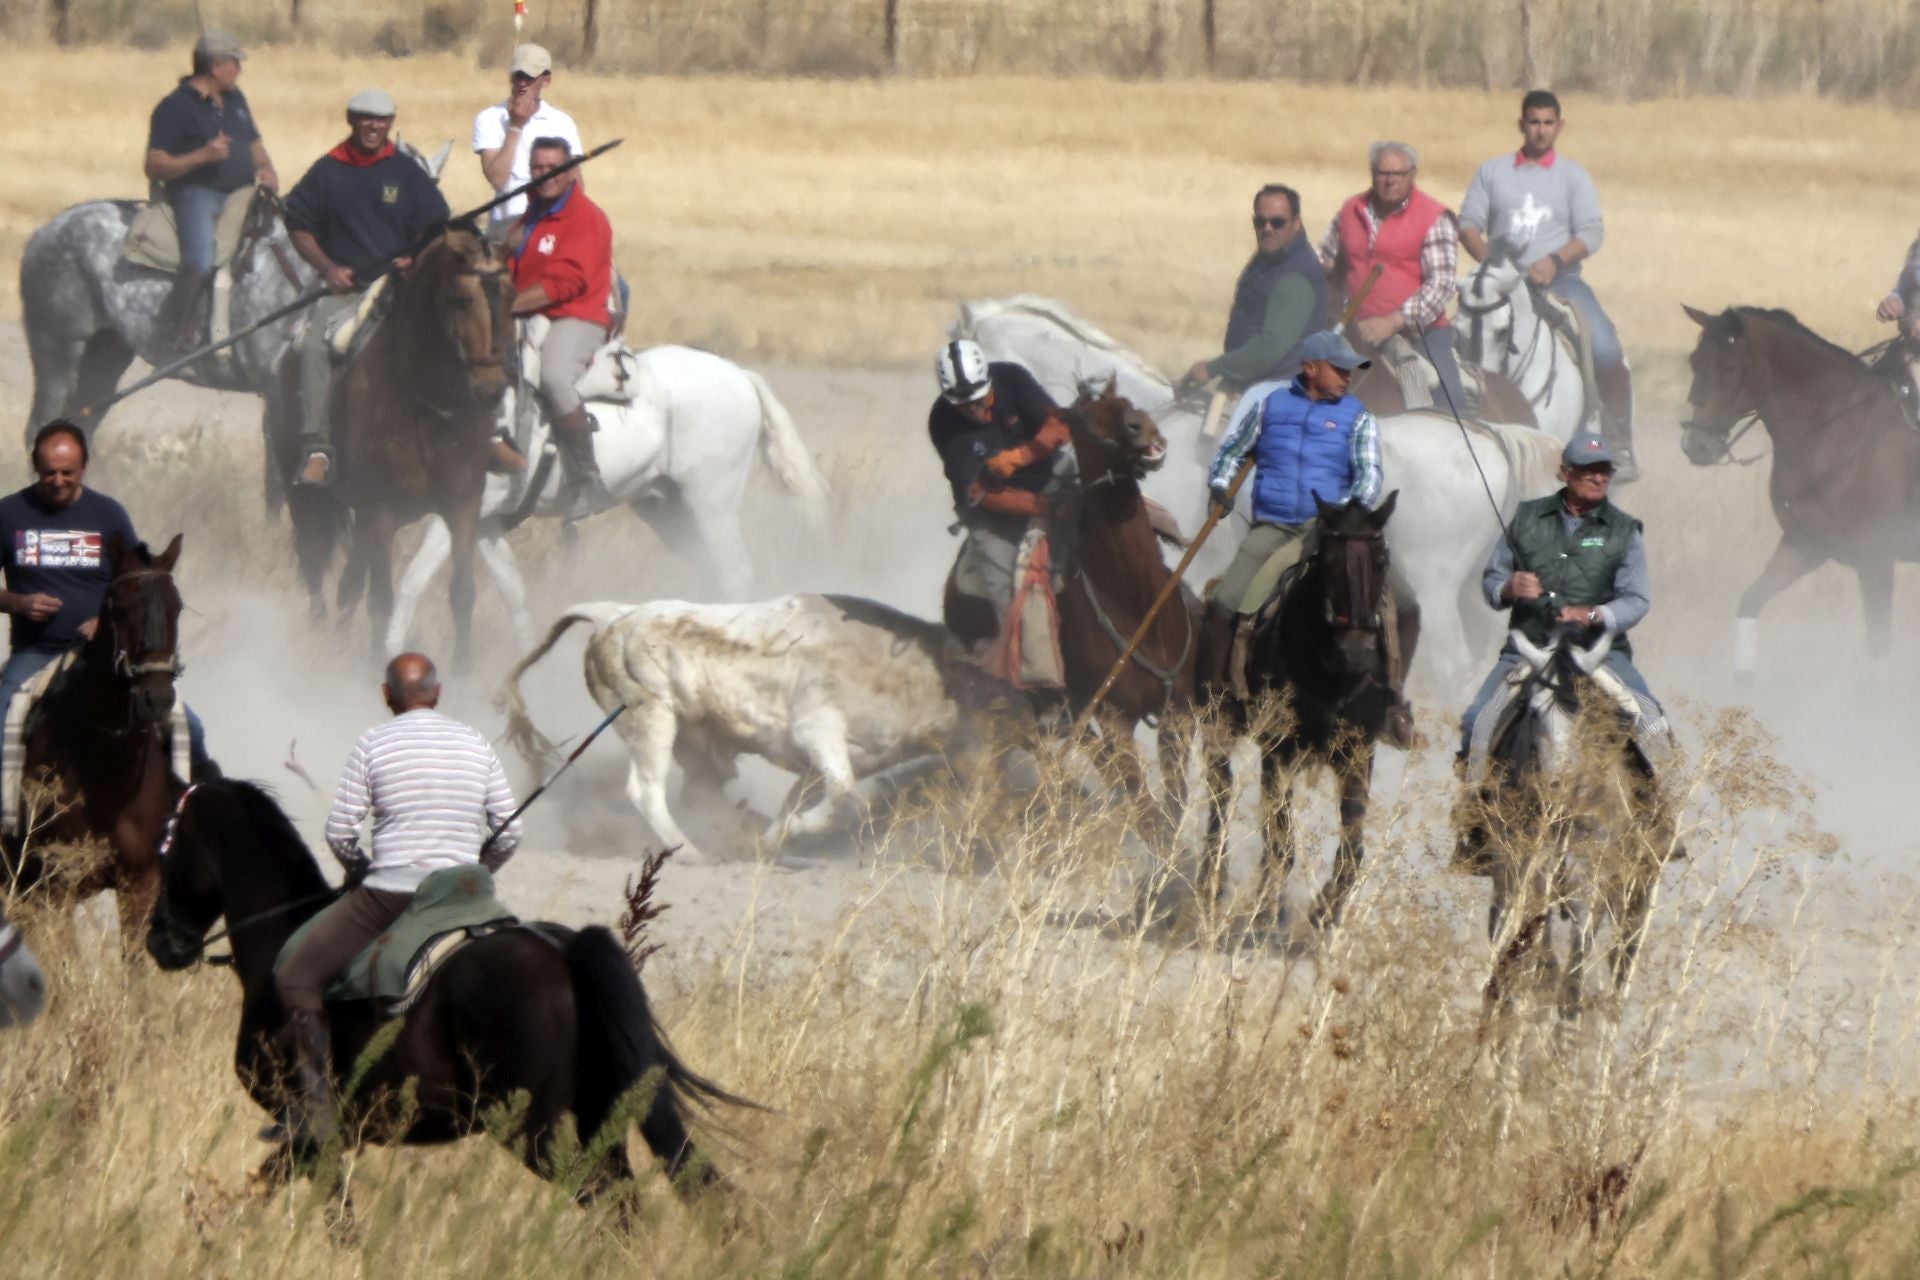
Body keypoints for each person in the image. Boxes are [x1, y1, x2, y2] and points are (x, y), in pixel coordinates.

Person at [275, 652, 521, 1149]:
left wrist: (360, 870)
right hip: (466, 894)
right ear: (438, 692)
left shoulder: (373, 743)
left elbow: (341, 832)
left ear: (387, 696)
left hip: (389, 895)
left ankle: (316, 1111)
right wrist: (477, 869)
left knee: (295, 976)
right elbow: (510, 832)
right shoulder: (475, 741)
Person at [1201, 330, 1418, 747]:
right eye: (1339, 368)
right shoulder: (1270, 407)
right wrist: (1220, 484)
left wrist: (1346, 516)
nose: (1347, 377)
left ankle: (1391, 703)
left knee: (1404, 604)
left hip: (1336, 532)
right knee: (1227, 603)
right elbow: (1231, 452)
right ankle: (1222, 708)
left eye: (1350, 369)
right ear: (1309, 368)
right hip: (1276, 526)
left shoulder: (1357, 416)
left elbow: (1369, 474)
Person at [0, 422, 210, 773]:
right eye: (49, 472)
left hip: (103, 654)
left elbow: (137, 583)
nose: (58, 480)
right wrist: (17, 603)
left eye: (68, 472)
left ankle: (194, 806)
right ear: (34, 466)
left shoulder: (108, 515)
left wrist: (104, 621)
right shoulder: (9, 514)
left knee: (190, 728)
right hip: (37, 652)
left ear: (84, 467)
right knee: (4, 716)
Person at [1459, 90, 1639, 482]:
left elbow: (1591, 232)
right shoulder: (1493, 172)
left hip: (1562, 283)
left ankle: (1620, 443)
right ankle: (1454, 426)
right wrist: (1494, 264)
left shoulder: (1573, 176)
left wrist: (1554, 260)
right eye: (1533, 122)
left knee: (1606, 347)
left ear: (1560, 126)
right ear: (1521, 124)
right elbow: (1468, 224)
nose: (1540, 130)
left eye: (1547, 122)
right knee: (1458, 337)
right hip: (1504, 285)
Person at [283, 88, 452, 487]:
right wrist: (327, 267)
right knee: (313, 345)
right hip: (348, 291)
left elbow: (437, 226)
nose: (373, 126)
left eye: (381, 119)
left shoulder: (408, 173)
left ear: (391, 123)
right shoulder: (327, 171)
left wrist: (416, 257)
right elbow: (298, 225)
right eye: (364, 118)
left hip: (401, 290)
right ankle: (317, 447)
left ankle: (472, 434)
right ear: (351, 120)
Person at [1458, 433, 1658, 760]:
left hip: (1601, 653)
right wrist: (1509, 587)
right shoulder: (1525, 518)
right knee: (1475, 723)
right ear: (1566, 473)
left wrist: (1592, 614)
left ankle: (1661, 810)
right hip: (1527, 649)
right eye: (1588, 469)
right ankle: (1470, 809)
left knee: (1653, 727)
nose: (1598, 477)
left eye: (1605, 470)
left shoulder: (1625, 530)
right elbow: (1492, 581)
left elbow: (1636, 599)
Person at [143, 31, 277, 362]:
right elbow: (154, 164)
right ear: (216, 66)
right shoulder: (175, 106)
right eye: (235, 63)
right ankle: (171, 334)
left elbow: (254, 144)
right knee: (201, 258)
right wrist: (201, 156)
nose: (240, 70)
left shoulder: (236, 99)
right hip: (197, 194)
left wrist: (267, 168)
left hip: (243, 191)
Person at [929, 340, 1073, 646]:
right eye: (963, 405)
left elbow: (1061, 426)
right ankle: (1023, 662)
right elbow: (983, 495)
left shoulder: (1012, 378)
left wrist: (1019, 457)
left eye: (980, 399)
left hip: (1050, 475)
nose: (974, 410)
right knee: (1010, 592)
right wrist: (1044, 507)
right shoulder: (942, 422)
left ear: (989, 382)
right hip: (991, 516)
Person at [1317, 140, 1467, 413]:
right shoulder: (1351, 210)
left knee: (1450, 398)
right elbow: (1325, 258)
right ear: (1372, 173)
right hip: (1352, 327)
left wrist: (1393, 322)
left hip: (1420, 332)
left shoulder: (1434, 216)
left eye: (1398, 174)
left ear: (1413, 174)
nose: (1389, 181)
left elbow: (1441, 284)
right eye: (1382, 173)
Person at [510, 137, 616, 519]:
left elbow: (567, 284)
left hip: (577, 315)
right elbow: (511, 265)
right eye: (537, 168)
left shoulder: (586, 218)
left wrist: (508, 304)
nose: (544, 175)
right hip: (530, 313)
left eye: (552, 167)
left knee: (554, 375)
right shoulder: (531, 214)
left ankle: (587, 476)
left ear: (570, 170)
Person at [1186, 184, 1330, 391]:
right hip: (1256, 381)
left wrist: (1213, 368)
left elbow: (1270, 347)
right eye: (1260, 222)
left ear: (1297, 223)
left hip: (1281, 388)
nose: (1267, 229)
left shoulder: (1295, 276)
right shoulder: (1270, 257)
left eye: (1278, 222)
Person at [472, 44, 585, 230]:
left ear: (546, 80)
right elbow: (497, 179)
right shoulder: (489, 118)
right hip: (506, 225)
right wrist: (515, 127)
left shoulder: (561, 122)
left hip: (550, 222)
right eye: (518, 76)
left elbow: (575, 180)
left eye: (530, 77)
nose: (522, 83)